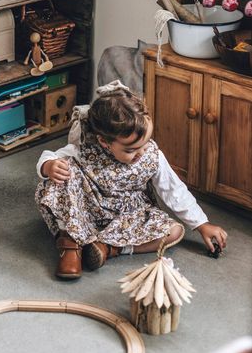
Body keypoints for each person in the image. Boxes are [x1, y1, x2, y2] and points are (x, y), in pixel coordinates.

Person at [35, 80, 228, 280]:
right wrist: (48, 166)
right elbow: (50, 155)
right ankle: (70, 244)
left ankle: (108, 248)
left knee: (174, 231)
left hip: (127, 217)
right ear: (104, 142)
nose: (140, 153)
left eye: (144, 144)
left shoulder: (151, 155)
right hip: (86, 210)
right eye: (130, 150)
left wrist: (201, 224)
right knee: (64, 171)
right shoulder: (86, 148)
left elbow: (174, 190)